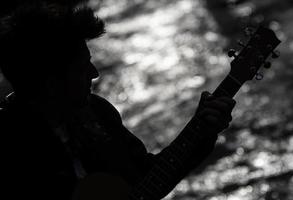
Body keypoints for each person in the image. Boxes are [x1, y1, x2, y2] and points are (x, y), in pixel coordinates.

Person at [0, 1, 236, 200]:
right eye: (81, 68)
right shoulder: (13, 148)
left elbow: (146, 181)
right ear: (50, 81)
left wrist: (202, 131)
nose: (94, 73)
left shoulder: (97, 113)